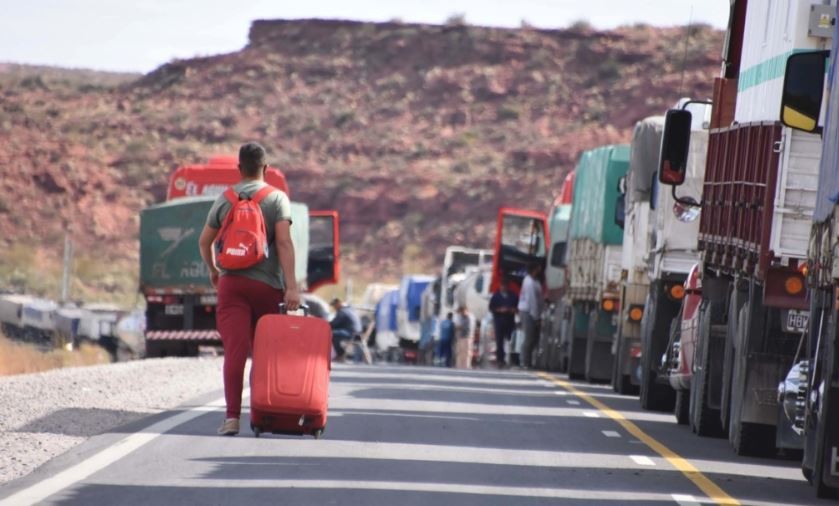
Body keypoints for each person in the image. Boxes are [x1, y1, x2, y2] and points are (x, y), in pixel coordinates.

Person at [198, 142, 300, 437]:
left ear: (239, 168)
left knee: (235, 352)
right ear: (266, 169)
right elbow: (283, 242)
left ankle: (232, 418)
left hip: (231, 285)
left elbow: (204, 242)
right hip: (266, 286)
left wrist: (213, 270)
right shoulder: (277, 198)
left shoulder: (226, 198)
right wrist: (291, 287)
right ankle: (260, 413)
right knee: (264, 352)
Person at [517, 262, 544, 369]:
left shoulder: (535, 281)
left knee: (534, 338)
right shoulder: (529, 282)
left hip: (533, 312)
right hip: (528, 312)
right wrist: (536, 316)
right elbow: (531, 300)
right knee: (529, 337)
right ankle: (524, 361)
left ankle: (529, 361)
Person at [489, 278, 518, 368]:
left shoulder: (513, 296)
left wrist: (512, 310)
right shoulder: (496, 296)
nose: (503, 288)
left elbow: (517, 307)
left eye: (505, 286)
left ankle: (511, 359)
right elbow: (491, 307)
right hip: (499, 321)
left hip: (509, 320)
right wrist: (499, 310)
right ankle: (500, 360)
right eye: (502, 286)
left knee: (510, 341)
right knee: (499, 341)